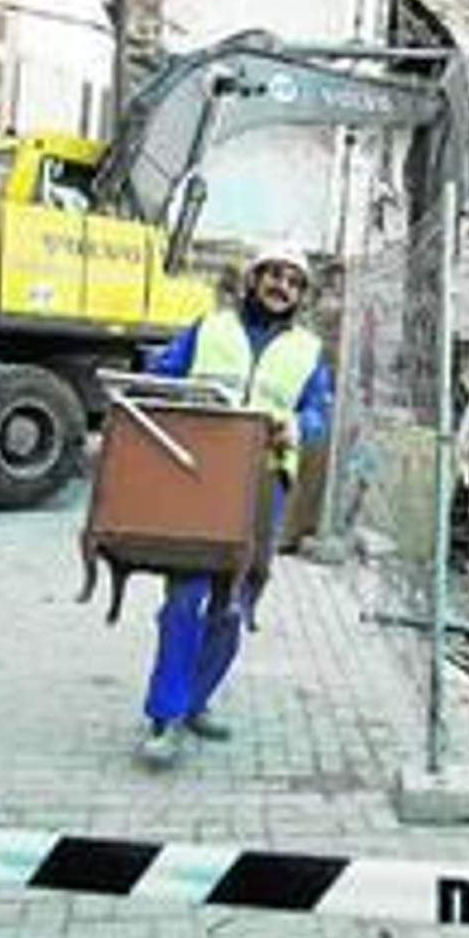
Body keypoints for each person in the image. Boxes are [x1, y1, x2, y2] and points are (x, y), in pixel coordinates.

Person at [136, 241, 333, 768]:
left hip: (262, 486)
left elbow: (318, 415)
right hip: (198, 484)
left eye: (294, 282)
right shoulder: (210, 329)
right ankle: (165, 716)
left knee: (231, 605)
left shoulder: (309, 351)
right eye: (274, 276)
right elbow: (163, 377)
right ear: (254, 280)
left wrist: (292, 423)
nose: (282, 288)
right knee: (184, 600)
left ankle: (197, 701)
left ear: (300, 295)